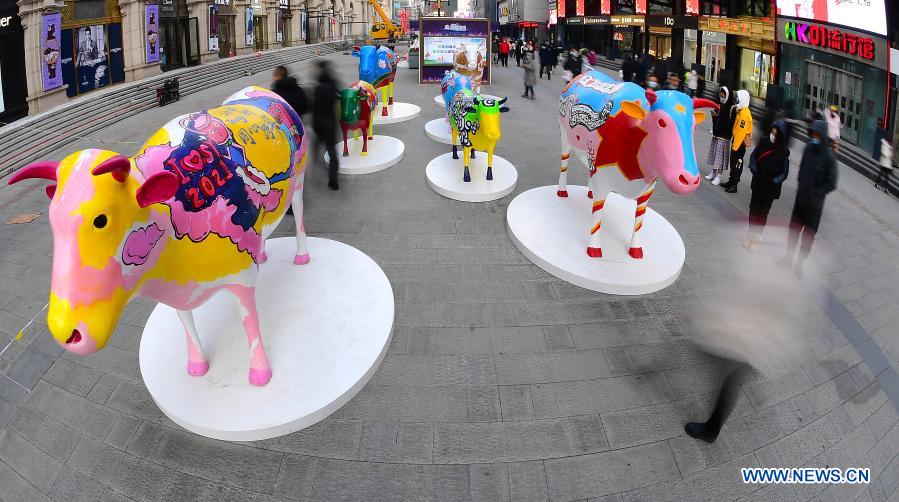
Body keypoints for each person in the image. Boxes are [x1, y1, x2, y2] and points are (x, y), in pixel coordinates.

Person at [777, 120, 838, 277]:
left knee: (807, 238)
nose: (814, 137)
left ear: (823, 136)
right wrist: (800, 181)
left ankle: (799, 263)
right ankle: (788, 258)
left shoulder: (829, 157)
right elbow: (803, 166)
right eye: (813, 134)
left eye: (818, 135)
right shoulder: (809, 148)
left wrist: (817, 192)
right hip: (800, 201)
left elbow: (832, 183)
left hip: (814, 206)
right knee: (793, 232)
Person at [743, 120, 791, 250]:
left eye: (775, 133)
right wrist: (753, 166)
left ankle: (756, 238)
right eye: (772, 131)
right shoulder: (763, 141)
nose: (772, 135)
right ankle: (749, 236)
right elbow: (754, 155)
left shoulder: (784, 150)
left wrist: (777, 180)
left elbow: (785, 172)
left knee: (762, 213)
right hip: (758, 182)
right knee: (753, 210)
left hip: (770, 188)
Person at [312, 61, 341, 190]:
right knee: (332, 152)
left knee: (316, 146)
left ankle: (314, 168)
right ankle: (333, 180)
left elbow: (315, 108)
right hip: (330, 123)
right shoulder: (333, 86)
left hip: (320, 124)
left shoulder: (318, 89)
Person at [722, 90, 752, 193]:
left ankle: (734, 185)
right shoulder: (741, 111)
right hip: (737, 142)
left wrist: (735, 147)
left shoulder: (744, 114)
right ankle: (731, 181)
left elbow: (740, 132)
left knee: (736, 165)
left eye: (738, 98)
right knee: (734, 164)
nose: (736, 100)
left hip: (739, 144)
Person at [705, 86, 736, 185]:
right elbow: (716, 121)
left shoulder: (731, 109)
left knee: (721, 157)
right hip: (717, 134)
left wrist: (718, 117)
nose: (722, 97)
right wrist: (714, 117)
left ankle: (719, 176)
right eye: (721, 95)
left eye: (724, 96)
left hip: (724, 137)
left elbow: (729, 124)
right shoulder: (719, 106)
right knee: (714, 155)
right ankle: (713, 173)